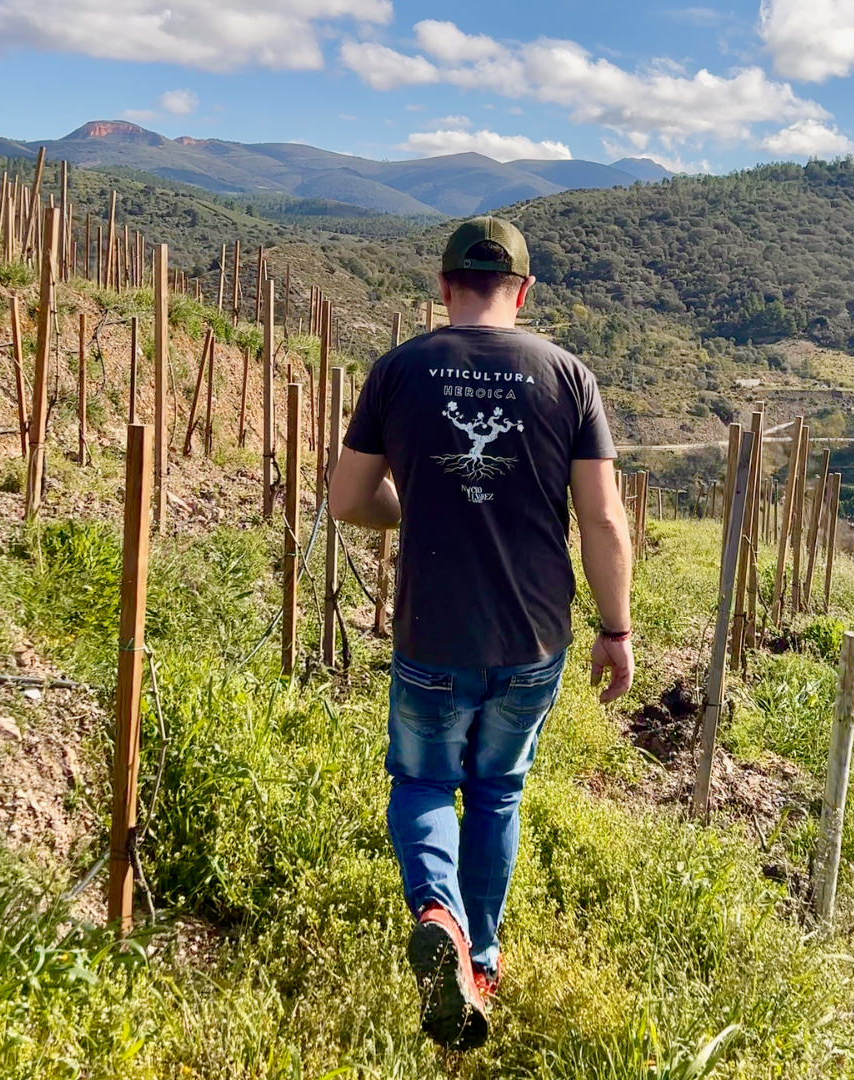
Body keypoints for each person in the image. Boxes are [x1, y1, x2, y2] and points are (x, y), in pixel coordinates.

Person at [329, 216, 634, 1050]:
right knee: (498, 791)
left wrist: (412, 506)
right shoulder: (570, 376)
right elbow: (603, 520)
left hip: (431, 634)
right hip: (534, 637)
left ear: (443, 287)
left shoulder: (398, 370)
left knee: (426, 784)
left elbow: (348, 499)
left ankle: (439, 917)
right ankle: (482, 960)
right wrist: (617, 628)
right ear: (524, 291)